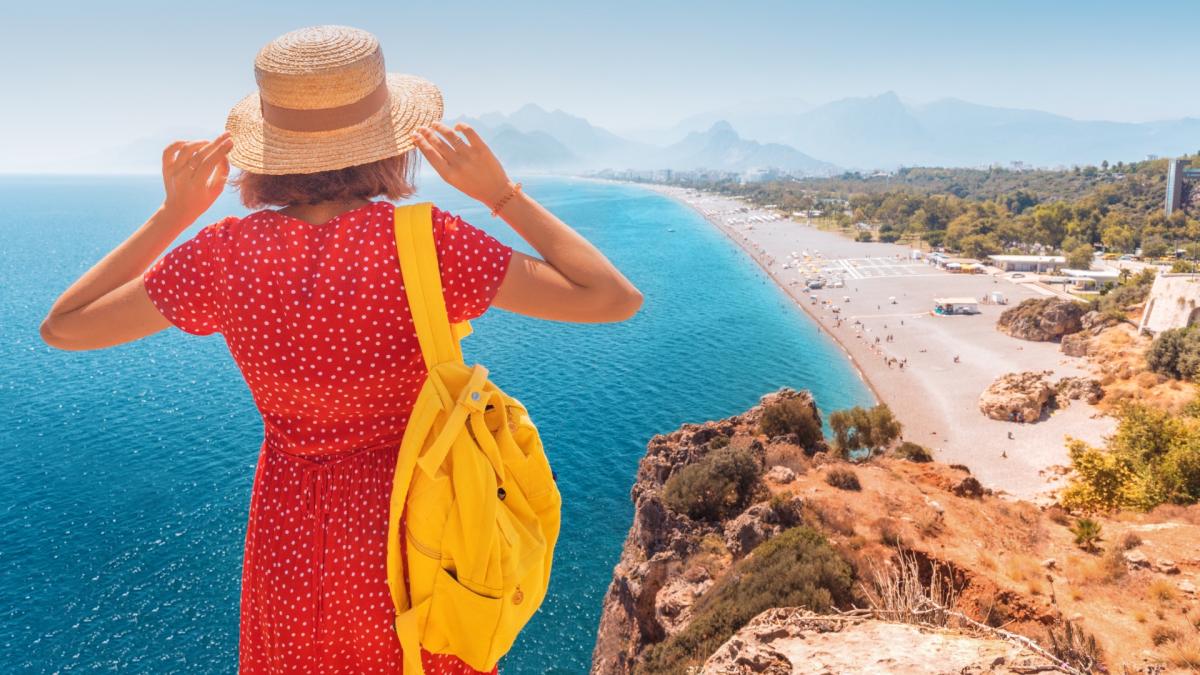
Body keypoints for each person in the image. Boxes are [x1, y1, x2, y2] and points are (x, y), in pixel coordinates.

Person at [38, 25, 642, 674]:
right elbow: (611, 296)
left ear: (268, 151)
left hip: (289, 537)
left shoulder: (222, 256)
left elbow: (63, 325)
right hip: (417, 532)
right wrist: (503, 195)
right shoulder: (424, 243)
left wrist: (172, 215)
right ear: (386, 143)